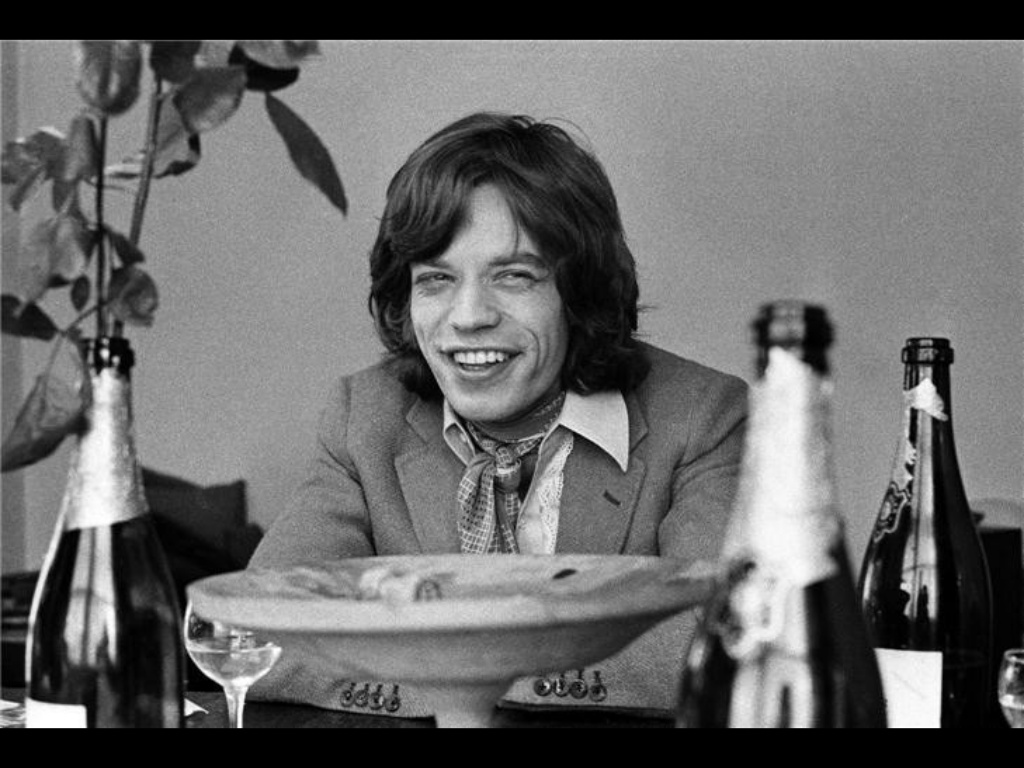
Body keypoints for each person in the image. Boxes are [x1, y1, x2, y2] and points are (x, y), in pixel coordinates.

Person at [247, 111, 748, 718]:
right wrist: (473, 679)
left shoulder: (704, 416)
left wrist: (469, 673)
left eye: (513, 276)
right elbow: (261, 634)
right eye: (436, 278)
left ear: (580, 292)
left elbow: (730, 644)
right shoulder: (364, 416)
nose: (468, 317)